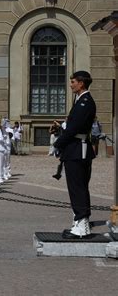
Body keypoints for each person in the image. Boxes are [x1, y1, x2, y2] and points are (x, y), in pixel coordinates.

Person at [54, 71, 96, 239]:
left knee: (77, 187)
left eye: (73, 82)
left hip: (78, 150)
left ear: (81, 84)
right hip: (75, 148)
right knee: (77, 187)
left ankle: (81, 225)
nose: (71, 84)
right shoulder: (80, 101)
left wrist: (58, 143)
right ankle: (79, 223)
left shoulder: (85, 102)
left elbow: (74, 128)